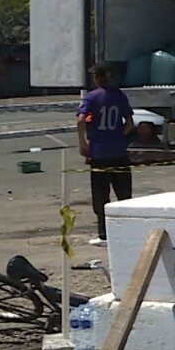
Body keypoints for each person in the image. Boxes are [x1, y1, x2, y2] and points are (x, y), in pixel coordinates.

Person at [77, 63, 134, 246]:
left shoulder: (92, 97)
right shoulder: (119, 95)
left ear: (95, 78)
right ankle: (128, 232)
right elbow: (129, 123)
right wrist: (118, 136)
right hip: (118, 152)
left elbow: (81, 120)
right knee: (124, 194)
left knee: (101, 196)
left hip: (99, 153)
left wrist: (83, 143)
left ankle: (104, 234)